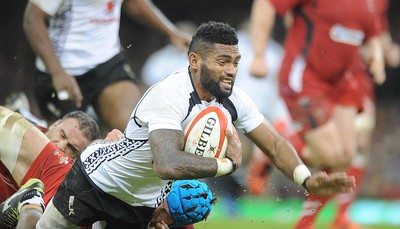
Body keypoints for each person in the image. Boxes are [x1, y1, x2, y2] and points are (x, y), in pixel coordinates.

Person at [29, 21, 356, 229]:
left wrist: (307, 178)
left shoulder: (234, 98)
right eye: (223, 61)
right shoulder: (169, 94)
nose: (231, 70)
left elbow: (273, 142)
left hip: (142, 204)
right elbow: (167, 162)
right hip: (95, 182)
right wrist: (226, 164)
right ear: (194, 61)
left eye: (236, 62)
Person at [249, 0, 385, 228]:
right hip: (306, 78)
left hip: (343, 81)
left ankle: (305, 224)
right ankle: (271, 149)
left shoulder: (369, 3)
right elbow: (266, 4)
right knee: (331, 156)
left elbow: (372, 32)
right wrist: (259, 55)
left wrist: (377, 54)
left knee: (345, 158)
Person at [23, 0, 191, 133]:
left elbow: (133, 3)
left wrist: (171, 32)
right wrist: (57, 72)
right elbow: (32, 19)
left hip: (106, 60)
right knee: (67, 148)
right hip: (63, 70)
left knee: (135, 129)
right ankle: (31, 123)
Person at [332, 0, 400, 227]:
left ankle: (342, 214)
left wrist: (386, 52)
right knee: (335, 149)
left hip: (360, 79)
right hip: (335, 75)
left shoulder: (378, 6)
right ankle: (286, 135)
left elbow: (383, 45)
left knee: (359, 145)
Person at [0, 105, 103, 229]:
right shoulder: (21, 131)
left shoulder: (64, 176)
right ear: (55, 125)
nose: (61, 145)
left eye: (72, 148)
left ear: (76, 160)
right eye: (62, 135)